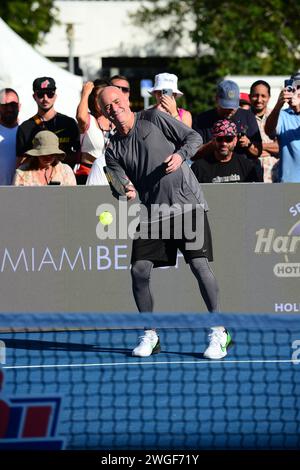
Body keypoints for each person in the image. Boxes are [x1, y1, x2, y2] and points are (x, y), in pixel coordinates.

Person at [98, 86, 232, 360]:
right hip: (152, 213)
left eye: (117, 101)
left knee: (198, 265)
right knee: (139, 270)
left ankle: (220, 331)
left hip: (187, 204)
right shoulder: (112, 149)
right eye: (107, 106)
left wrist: (181, 155)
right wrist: (126, 191)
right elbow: (118, 185)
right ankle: (150, 334)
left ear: (126, 99)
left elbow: (193, 137)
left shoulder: (154, 118)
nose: (114, 107)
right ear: (103, 112)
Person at [16, 77, 80, 168]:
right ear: (34, 97)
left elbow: (80, 155)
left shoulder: (69, 123)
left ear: (55, 96)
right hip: (36, 179)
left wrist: (59, 157)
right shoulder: (25, 128)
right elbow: (20, 163)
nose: (45, 98)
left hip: (65, 179)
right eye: (40, 94)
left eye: (50, 94)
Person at [192, 80, 262, 162]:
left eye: (233, 106)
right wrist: (215, 143)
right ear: (217, 99)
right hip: (211, 171)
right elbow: (193, 154)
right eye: (225, 106)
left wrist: (248, 144)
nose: (230, 110)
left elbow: (258, 151)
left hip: (242, 171)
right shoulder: (202, 120)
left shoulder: (248, 116)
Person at [191, 119, 263, 183]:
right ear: (213, 140)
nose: (224, 143)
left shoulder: (246, 166)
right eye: (219, 139)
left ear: (235, 141)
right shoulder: (199, 168)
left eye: (228, 139)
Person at [76, 79, 112, 185]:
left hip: (110, 174)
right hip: (87, 172)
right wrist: (85, 93)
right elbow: (80, 117)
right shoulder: (89, 119)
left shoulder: (114, 120)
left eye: (104, 96)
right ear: (93, 99)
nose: (102, 100)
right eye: (98, 96)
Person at [265, 78, 300, 182]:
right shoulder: (282, 115)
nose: (294, 93)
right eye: (291, 90)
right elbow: (269, 130)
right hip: (289, 183)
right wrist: (278, 105)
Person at [249, 80, 279, 183]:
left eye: (263, 96)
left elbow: (282, 147)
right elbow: (242, 148)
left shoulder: (278, 117)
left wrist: (256, 147)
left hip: (274, 176)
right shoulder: (243, 118)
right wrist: (271, 147)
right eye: (255, 95)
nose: (259, 99)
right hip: (251, 177)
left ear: (269, 97)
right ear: (249, 96)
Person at [0, 88, 20, 185]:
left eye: (13, 104)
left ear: (19, 106)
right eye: (5, 105)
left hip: (21, 194)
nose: (9, 108)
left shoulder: (26, 133)